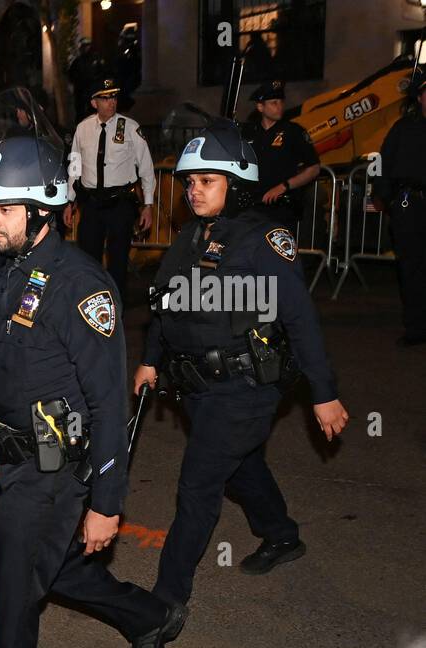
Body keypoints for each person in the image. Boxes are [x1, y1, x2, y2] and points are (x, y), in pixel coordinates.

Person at [0, 135, 186, 648]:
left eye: (3, 207)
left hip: (56, 468)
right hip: (13, 457)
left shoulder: (82, 287)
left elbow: (109, 405)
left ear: (43, 209)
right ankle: (149, 615)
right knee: (54, 571)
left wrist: (107, 503)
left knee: (14, 589)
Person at [136, 119, 349, 610]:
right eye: (190, 181)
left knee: (198, 485)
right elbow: (165, 306)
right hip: (198, 387)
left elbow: (300, 319)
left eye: (206, 181)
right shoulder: (189, 237)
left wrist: (324, 392)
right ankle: (281, 534)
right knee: (240, 466)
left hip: (246, 388)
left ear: (237, 184)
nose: (194, 190)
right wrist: (149, 361)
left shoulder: (265, 239)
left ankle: (163, 606)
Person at [64, 76, 155, 299]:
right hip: (92, 204)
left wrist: (148, 205)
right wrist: (69, 200)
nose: (111, 102)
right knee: (88, 259)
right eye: (105, 98)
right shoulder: (83, 129)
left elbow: (146, 168)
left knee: (118, 260)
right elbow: (74, 166)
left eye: (113, 96)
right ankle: (91, 303)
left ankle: (116, 306)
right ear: (94, 103)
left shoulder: (130, 128)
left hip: (120, 204)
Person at [373, 70, 426, 346]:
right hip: (410, 205)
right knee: (411, 268)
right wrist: (385, 197)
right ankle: (416, 327)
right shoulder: (403, 128)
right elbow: (381, 163)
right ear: (420, 97)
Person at [241, 81, 320, 229]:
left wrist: (284, 186)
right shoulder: (248, 132)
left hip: (281, 208)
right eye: (274, 103)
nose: (279, 107)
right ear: (260, 106)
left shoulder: (293, 131)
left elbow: (314, 168)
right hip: (252, 207)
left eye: (281, 102)